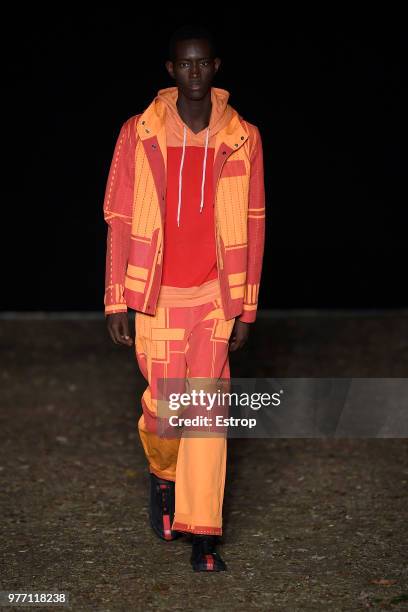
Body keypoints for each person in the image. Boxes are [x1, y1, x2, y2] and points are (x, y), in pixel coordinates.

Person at [103, 24, 265, 572]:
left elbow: (255, 223)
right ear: (171, 71)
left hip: (216, 297)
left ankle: (204, 534)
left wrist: (246, 305)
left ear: (215, 68)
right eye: (184, 64)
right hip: (156, 296)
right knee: (165, 410)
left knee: (207, 411)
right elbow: (119, 217)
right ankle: (163, 474)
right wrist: (115, 298)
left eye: (203, 64)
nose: (194, 73)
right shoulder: (139, 133)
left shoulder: (243, 136)